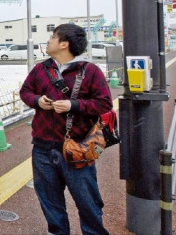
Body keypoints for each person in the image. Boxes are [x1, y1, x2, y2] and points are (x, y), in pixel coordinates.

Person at [20, 24, 112, 235]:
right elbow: (25, 91)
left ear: (64, 44)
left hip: (78, 148)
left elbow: (105, 103)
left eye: (53, 36)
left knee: (88, 202)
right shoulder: (41, 69)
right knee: (50, 203)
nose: (49, 40)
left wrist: (74, 105)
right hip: (42, 147)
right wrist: (37, 100)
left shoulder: (90, 71)